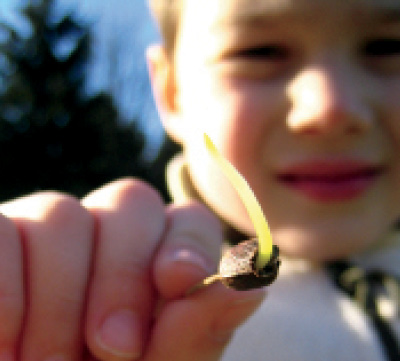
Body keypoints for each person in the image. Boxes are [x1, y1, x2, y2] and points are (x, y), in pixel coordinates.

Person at [0, 0, 400, 360]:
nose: (329, 108)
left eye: (387, 47)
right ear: (171, 93)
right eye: (258, 52)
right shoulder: (147, 311)